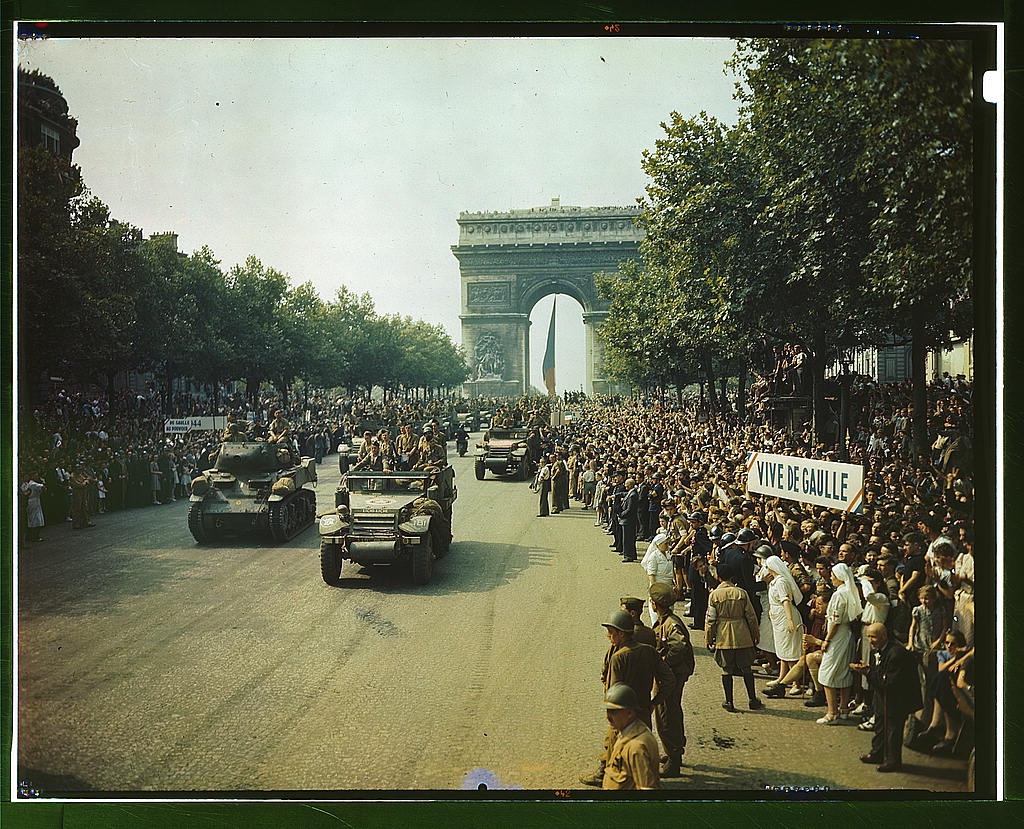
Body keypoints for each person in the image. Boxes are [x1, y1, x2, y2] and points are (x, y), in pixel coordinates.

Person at [851, 622, 922, 772]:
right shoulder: (875, 652)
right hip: (881, 695)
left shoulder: (896, 653)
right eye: (868, 636)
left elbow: (890, 681)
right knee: (880, 725)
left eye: (874, 637)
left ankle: (893, 761)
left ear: (884, 636)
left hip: (897, 697)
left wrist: (868, 673)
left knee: (893, 730)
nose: (870, 640)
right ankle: (877, 753)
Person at [705, 560, 764, 712]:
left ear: (718, 577)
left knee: (727, 670)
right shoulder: (741, 593)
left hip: (723, 635)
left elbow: (710, 619)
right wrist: (755, 634)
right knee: (747, 668)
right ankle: (752, 699)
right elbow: (751, 616)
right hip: (742, 633)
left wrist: (709, 637)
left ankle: (729, 701)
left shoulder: (714, 595)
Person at [649, 582, 695, 777]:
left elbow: (679, 646)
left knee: (667, 715)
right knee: (669, 712)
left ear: (655, 604)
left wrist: (664, 662)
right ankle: (672, 752)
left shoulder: (671, 624)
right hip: (672, 675)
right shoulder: (665, 620)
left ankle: (674, 759)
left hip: (672, 676)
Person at [814, 562, 863, 724]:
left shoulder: (839, 595)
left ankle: (832, 712)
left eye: (834, 575)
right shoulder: (849, 592)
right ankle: (843, 709)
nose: (832, 577)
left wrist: (827, 640)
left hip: (838, 636)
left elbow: (835, 620)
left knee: (827, 674)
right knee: (843, 672)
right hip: (846, 635)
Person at [600, 683, 662, 791]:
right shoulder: (627, 732)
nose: (608, 717)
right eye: (607, 711)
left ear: (629, 713)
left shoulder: (636, 747)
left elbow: (646, 788)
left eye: (613, 712)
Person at [762, 554, 806, 698]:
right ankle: (782, 678)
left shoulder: (781, 582)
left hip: (785, 617)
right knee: (782, 650)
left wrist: (790, 620)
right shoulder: (774, 581)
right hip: (777, 618)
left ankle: (796, 683)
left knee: (791, 651)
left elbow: (785, 601)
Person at [619, 477, 641, 562]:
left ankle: (628, 555)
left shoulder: (633, 495)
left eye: (626, 484)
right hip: (627, 520)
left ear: (630, 485)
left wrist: (621, 514)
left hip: (629, 520)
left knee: (627, 539)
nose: (625, 485)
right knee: (629, 538)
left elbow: (630, 509)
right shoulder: (630, 493)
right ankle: (631, 554)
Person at [20, 473, 46, 542]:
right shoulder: (32, 484)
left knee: (32, 519)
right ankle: (35, 536)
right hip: (33, 502)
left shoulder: (25, 484)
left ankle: (31, 536)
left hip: (31, 501)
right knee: (36, 519)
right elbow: (42, 487)